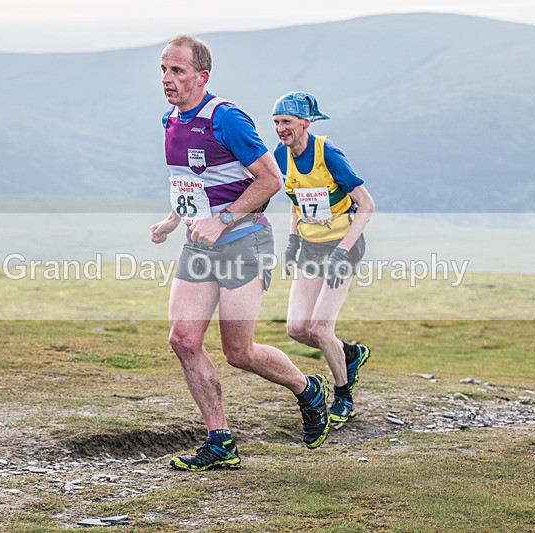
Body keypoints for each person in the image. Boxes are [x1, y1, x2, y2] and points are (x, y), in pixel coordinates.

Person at [150, 36, 331, 471]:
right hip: (199, 243)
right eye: (163, 70)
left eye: (177, 71)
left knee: (239, 352)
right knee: (183, 340)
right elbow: (192, 179)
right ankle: (220, 440)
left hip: (243, 240)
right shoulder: (170, 120)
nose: (167, 79)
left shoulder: (226, 118)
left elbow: (270, 180)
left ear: (201, 76)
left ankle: (308, 389)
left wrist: (224, 219)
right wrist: (176, 218)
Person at [272, 91, 376, 424]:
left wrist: (343, 252)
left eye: (286, 122)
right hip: (312, 247)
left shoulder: (328, 154)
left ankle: (343, 395)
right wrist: (292, 238)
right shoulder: (281, 154)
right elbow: (296, 196)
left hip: (343, 247)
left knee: (319, 327)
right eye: (276, 123)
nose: (280, 129)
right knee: (296, 328)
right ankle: (349, 354)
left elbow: (367, 205)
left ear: (305, 123)